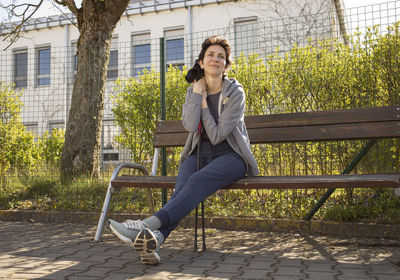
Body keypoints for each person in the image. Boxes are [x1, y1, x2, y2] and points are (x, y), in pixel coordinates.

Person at [108, 35, 259, 265]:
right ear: (201, 62)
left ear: (227, 65)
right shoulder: (193, 92)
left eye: (221, 57)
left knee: (197, 180)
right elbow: (190, 125)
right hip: (198, 152)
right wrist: (198, 94)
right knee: (182, 192)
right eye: (211, 55)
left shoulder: (235, 92)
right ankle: (156, 238)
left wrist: (205, 105)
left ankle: (146, 225)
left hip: (231, 155)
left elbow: (218, 136)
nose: (215, 59)